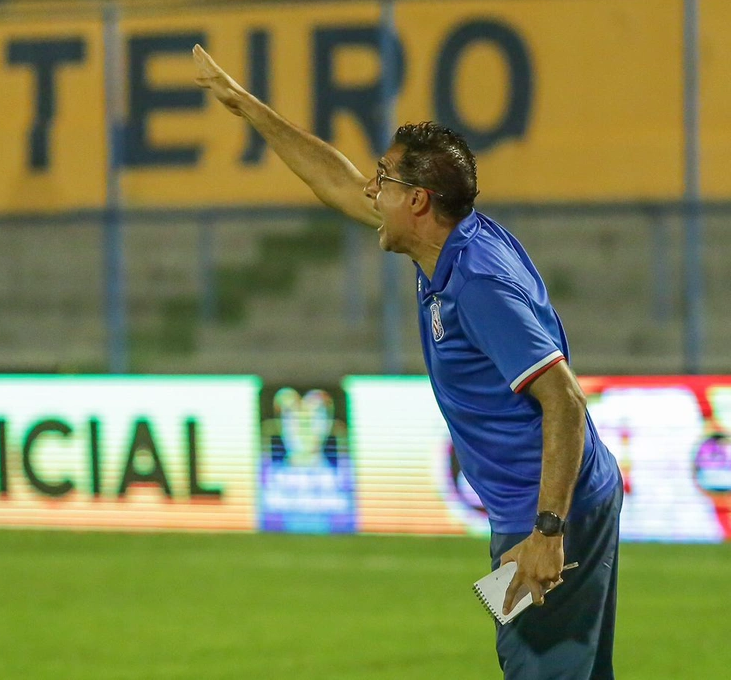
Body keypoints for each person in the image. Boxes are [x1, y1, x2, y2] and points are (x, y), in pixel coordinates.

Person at [194, 45, 622, 679]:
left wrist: (548, 531)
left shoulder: (478, 283)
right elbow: (333, 180)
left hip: (552, 511)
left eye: (384, 180)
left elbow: (563, 399)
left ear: (419, 200)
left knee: (538, 666)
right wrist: (247, 108)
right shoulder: (447, 244)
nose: (370, 189)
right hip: (548, 505)